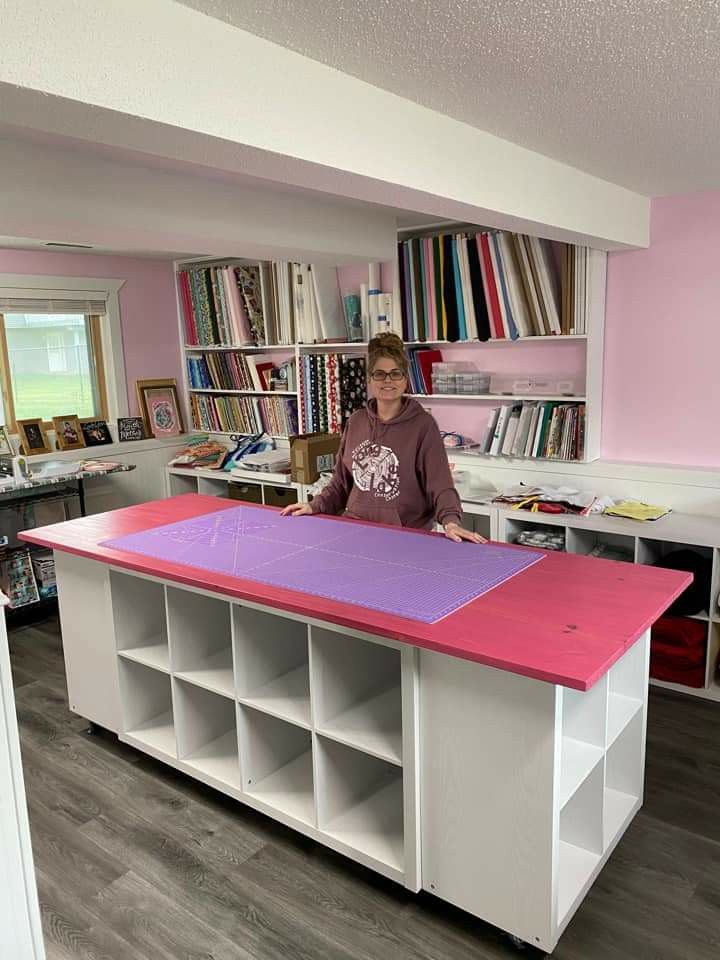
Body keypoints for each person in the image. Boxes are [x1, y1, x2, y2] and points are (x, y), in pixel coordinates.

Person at [282, 333, 486, 543]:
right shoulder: (356, 421)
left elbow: (441, 484)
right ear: (369, 379)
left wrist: (451, 521)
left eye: (395, 374)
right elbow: (340, 482)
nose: (388, 380)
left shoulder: (423, 425)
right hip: (356, 529)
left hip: (405, 535)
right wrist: (314, 505)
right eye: (379, 374)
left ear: (405, 380)